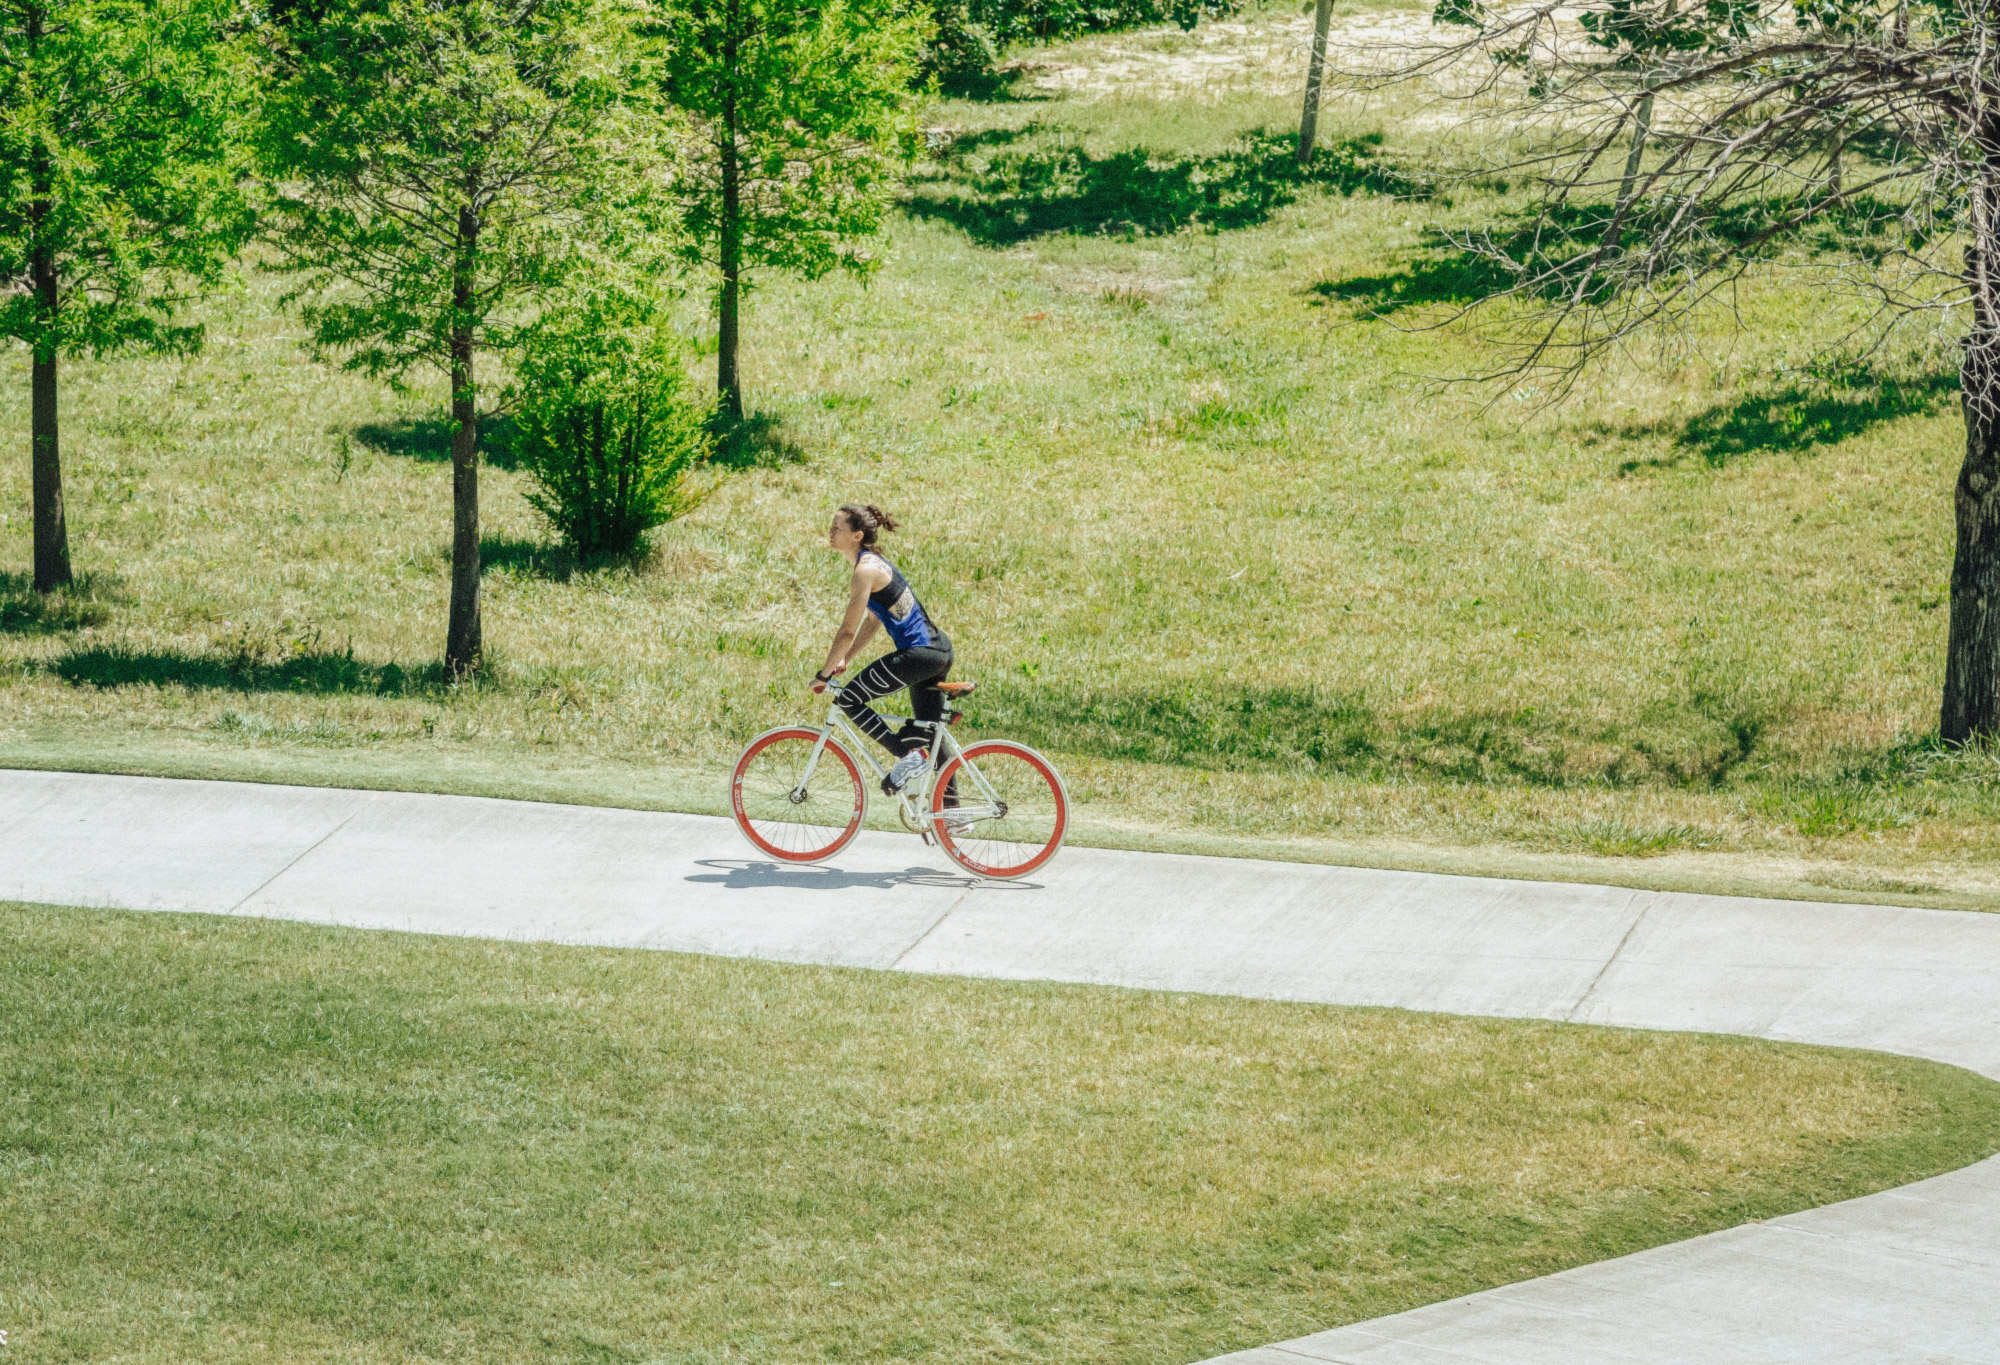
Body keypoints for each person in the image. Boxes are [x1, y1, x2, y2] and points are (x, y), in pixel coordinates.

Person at [812, 504, 953, 794]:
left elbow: (847, 630)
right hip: (937, 652)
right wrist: (846, 660)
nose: (830, 531)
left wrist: (824, 674)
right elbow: (874, 621)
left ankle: (908, 757)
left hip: (920, 653)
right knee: (931, 732)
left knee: (849, 700)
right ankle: (953, 815)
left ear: (857, 535)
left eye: (837, 527)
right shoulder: (875, 563)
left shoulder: (864, 571)